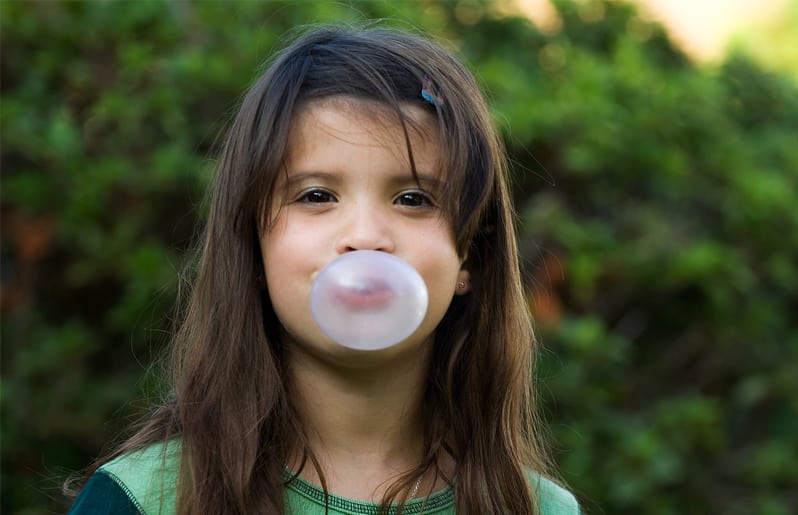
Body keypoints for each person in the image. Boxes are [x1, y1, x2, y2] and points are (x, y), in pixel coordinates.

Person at [67, 24, 581, 514]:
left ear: (470, 255)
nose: (364, 237)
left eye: (412, 198)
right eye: (316, 195)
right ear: (253, 244)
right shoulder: (142, 500)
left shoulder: (537, 509)